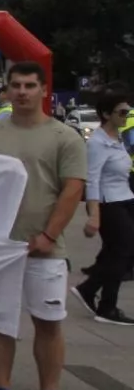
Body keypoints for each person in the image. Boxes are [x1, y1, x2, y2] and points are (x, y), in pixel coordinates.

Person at [0, 62, 86, 390]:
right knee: (0, 322)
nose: (22, 92)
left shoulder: (64, 137)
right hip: (1, 247)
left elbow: (72, 190)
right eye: (16, 85)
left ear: (43, 89)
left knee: (48, 323)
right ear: (7, 90)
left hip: (46, 249)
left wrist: (48, 235)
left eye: (29, 85)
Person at [74, 89, 134, 325]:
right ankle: (107, 307)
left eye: (128, 111)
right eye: (122, 112)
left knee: (117, 252)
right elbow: (92, 179)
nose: (126, 116)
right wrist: (94, 215)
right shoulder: (97, 143)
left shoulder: (117, 138)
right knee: (121, 253)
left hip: (125, 198)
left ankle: (89, 289)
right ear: (107, 114)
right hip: (110, 203)